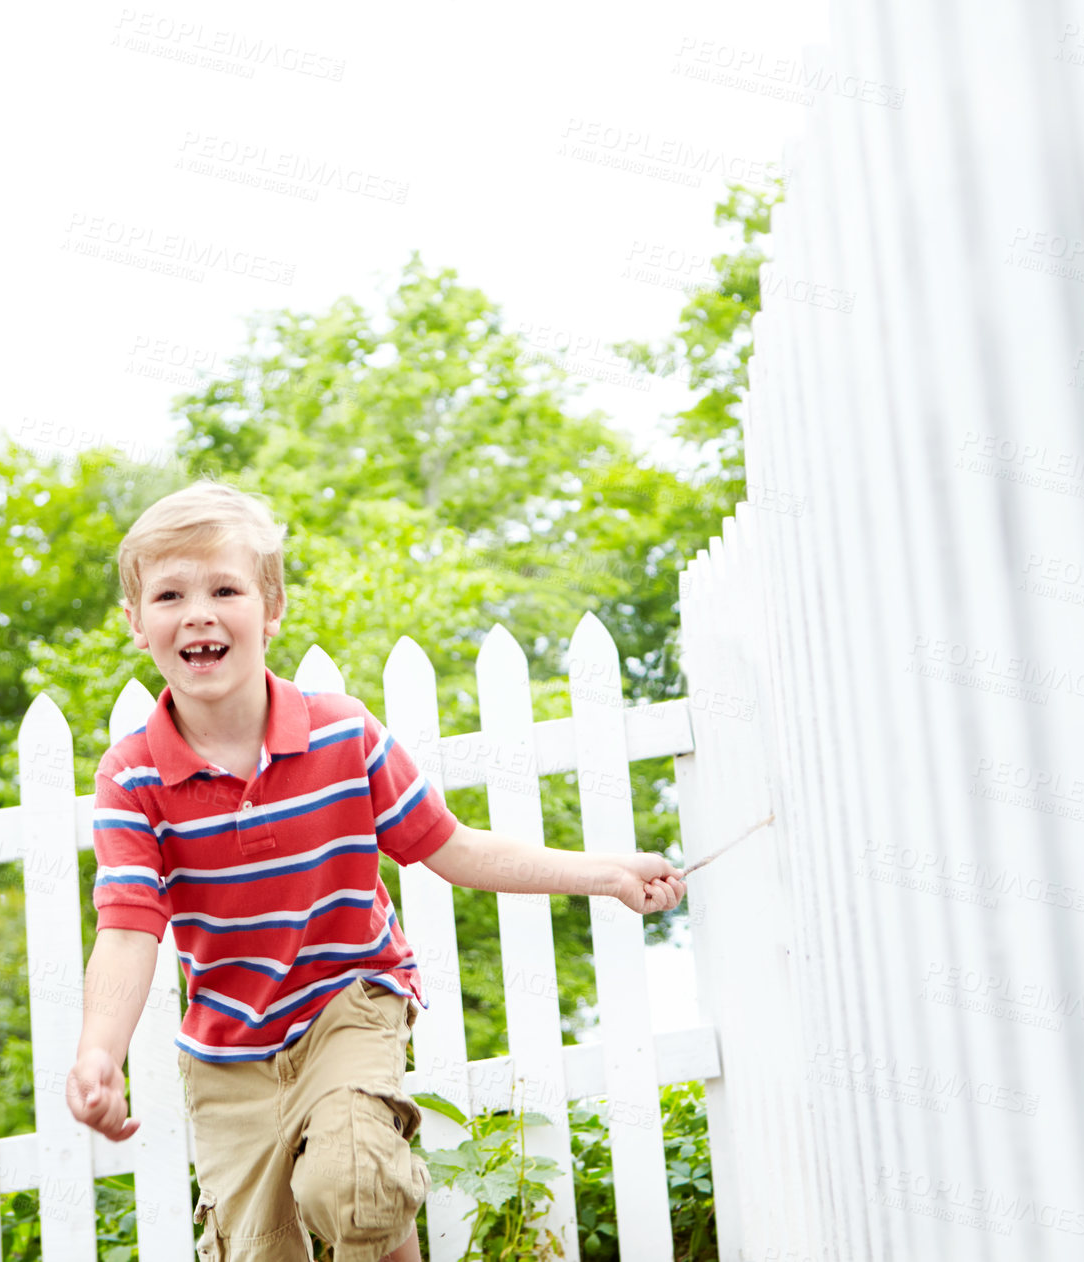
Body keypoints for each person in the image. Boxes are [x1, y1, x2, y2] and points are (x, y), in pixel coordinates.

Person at [64, 478, 687, 1262]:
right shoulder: (133, 778)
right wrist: (99, 1051)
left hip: (346, 1007)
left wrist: (606, 873)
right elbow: (127, 931)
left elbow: (453, 849)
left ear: (272, 607)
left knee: (356, 1187)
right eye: (169, 595)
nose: (198, 611)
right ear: (136, 624)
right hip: (228, 1058)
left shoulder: (341, 735)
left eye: (225, 588)